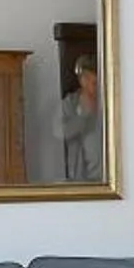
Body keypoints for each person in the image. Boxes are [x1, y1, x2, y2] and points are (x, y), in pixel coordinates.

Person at [52, 55, 103, 183]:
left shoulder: (111, 100)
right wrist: (82, 116)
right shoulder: (70, 103)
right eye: (84, 76)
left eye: (92, 76)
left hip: (109, 178)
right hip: (82, 179)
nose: (88, 80)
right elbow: (59, 132)